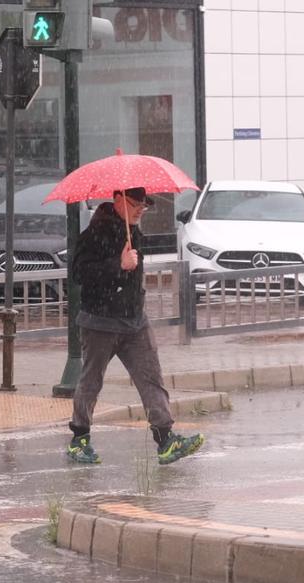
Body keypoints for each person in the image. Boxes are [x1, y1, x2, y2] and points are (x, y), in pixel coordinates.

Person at [65, 186, 205, 465]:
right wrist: (117, 264)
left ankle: (165, 439)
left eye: (145, 205)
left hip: (134, 321)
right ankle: (79, 438)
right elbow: (79, 273)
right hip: (100, 322)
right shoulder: (94, 234)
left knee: (151, 376)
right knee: (91, 380)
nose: (141, 209)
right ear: (118, 201)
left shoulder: (134, 231)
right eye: (135, 203)